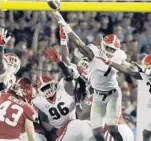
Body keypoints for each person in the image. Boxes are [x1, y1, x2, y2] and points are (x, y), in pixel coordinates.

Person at [52, 11, 126, 141]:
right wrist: (64, 41)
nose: (87, 64)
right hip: (84, 109)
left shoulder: (104, 62)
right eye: (85, 62)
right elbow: (67, 61)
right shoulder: (79, 70)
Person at [32, 47, 95, 141]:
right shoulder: (38, 101)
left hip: (74, 123)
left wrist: (59, 62)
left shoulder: (63, 88)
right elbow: (42, 121)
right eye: (44, 89)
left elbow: (69, 77)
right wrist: (55, 130)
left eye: (48, 86)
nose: (48, 90)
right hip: (61, 130)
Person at [101, 54, 151, 141]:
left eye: (148, 67)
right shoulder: (147, 76)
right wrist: (112, 63)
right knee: (146, 133)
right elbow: (129, 71)